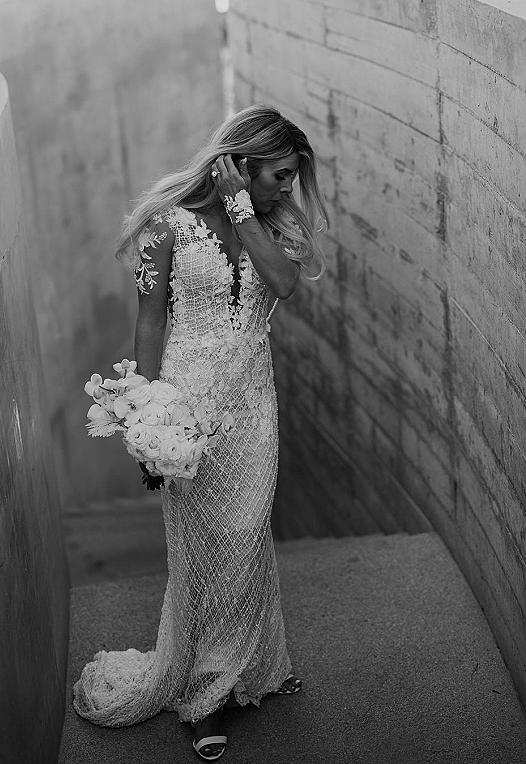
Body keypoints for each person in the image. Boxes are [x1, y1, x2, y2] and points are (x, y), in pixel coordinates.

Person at [73, 103, 329, 760]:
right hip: (186, 409)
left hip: (253, 406)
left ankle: (248, 668)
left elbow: (283, 285)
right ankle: (204, 693)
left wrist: (245, 209)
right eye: (278, 174)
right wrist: (144, 415)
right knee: (201, 548)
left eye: (291, 177)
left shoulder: (271, 224)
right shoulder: (167, 225)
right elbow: (149, 320)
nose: (287, 189)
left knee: (247, 535)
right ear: (240, 162)